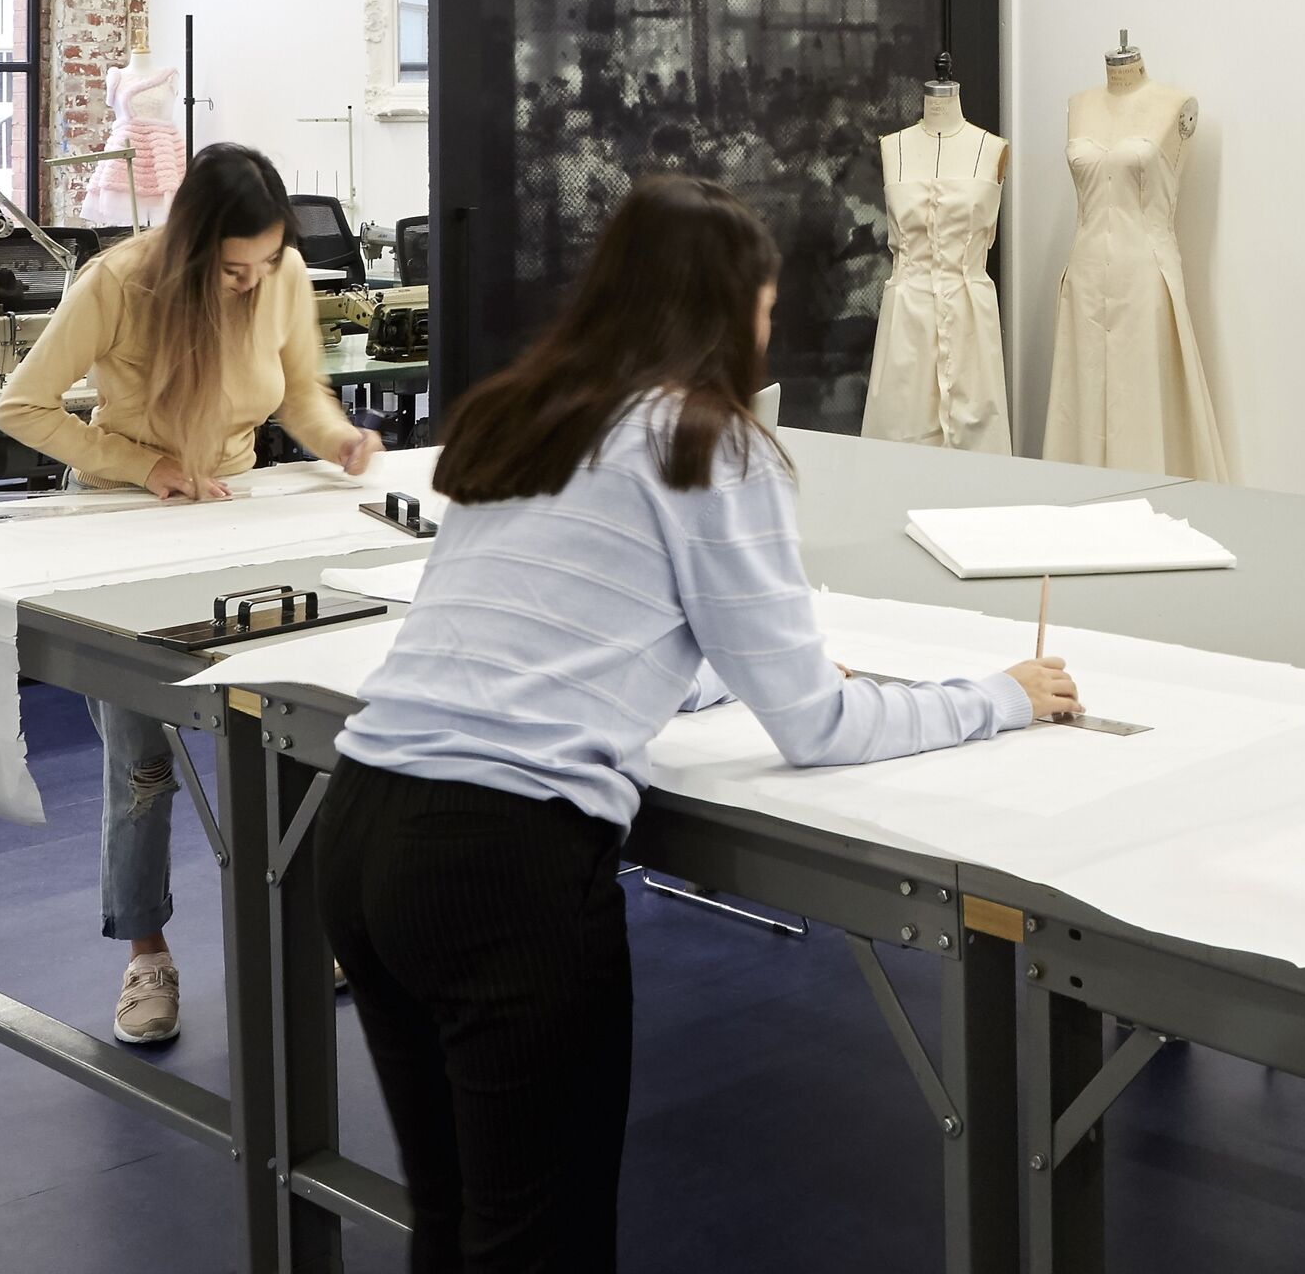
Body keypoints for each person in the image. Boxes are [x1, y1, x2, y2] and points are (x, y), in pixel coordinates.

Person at [322, 177, 1077, 1272]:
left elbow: (582, 623)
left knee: (455, 1222)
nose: (772, 327)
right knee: (543, 1243)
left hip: (364, 826)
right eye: (766, 303)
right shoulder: (705, 437)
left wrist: (719, 679)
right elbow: (816, 723)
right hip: (502, 868)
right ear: (730, 309)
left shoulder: (528, 416)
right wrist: (1000, 694)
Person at [0, 144, 388, 1047]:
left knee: (296, 725)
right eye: (235, 268)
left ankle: (308, 926)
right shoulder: (118, 283)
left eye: (267, 263)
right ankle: (146, 954)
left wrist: (339, 441)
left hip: (238, 519)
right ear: (190, 247)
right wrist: (147, 465)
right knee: (141, 762)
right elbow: (22, 408)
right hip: (122, 525)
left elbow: (299, 394)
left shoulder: (279, 271)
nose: (255, 283)